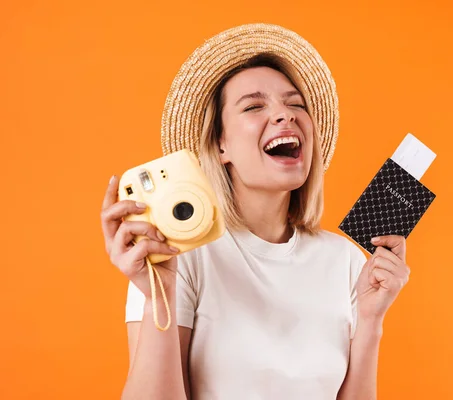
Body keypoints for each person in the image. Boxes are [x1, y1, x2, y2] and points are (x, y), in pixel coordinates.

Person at [100, 23, 411, 400]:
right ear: (220, 145)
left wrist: (371, 320)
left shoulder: (345, 260)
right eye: (254, 106)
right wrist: (157, 297)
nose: (285, 116)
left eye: (296, 103)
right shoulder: (177, 255)